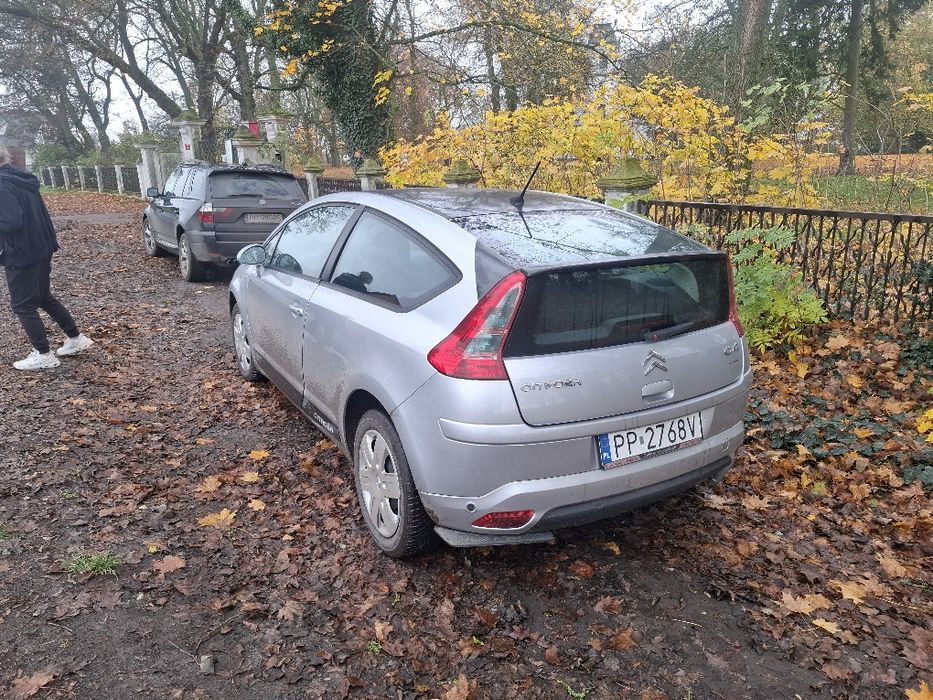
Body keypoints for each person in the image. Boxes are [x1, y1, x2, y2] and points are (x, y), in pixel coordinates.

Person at [0, 146, 93, 370]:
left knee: (22, 305)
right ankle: (75, 338)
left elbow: (11, 222)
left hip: (21, 252)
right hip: (40, 246)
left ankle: (43, 354)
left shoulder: (2, 185)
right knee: (42, 297)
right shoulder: (19, 177)